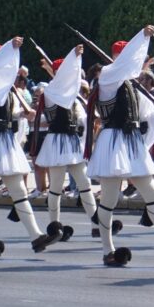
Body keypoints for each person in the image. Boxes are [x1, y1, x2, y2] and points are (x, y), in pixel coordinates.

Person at [86, 27, 154, 265]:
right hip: (114, 140)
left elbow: (143, 114)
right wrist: (143, 36)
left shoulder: (129, 84)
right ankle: (107, 250)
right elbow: (125, 65)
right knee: (109, 198)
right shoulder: (107, 75)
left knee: (151, 192)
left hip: (132, 141)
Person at [0, 38, 61, 259]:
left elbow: (6, 112)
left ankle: (36, 236)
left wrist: (21, 114)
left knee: (18, 189)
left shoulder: (4, 85)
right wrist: (10, 49)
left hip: (3, 138)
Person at [31, 46, 100, 246]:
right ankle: (54, 226)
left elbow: (78, 114)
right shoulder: (53, 92)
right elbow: (63, 95)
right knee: (55, 188)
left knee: (85, 185)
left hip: (71, 141)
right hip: (58, 141)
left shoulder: (68, 93)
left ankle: (96, 223)